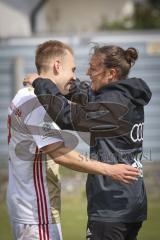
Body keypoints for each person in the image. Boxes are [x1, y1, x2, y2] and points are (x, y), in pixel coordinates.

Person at [7, 41, 139, 240]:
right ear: (57, 66)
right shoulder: (36, 102)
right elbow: (60, 154)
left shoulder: (22, 95)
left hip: (23, 206)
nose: (75, 76)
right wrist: (109, 169)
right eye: (73, 69)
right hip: (37, 212)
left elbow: (75, 104)